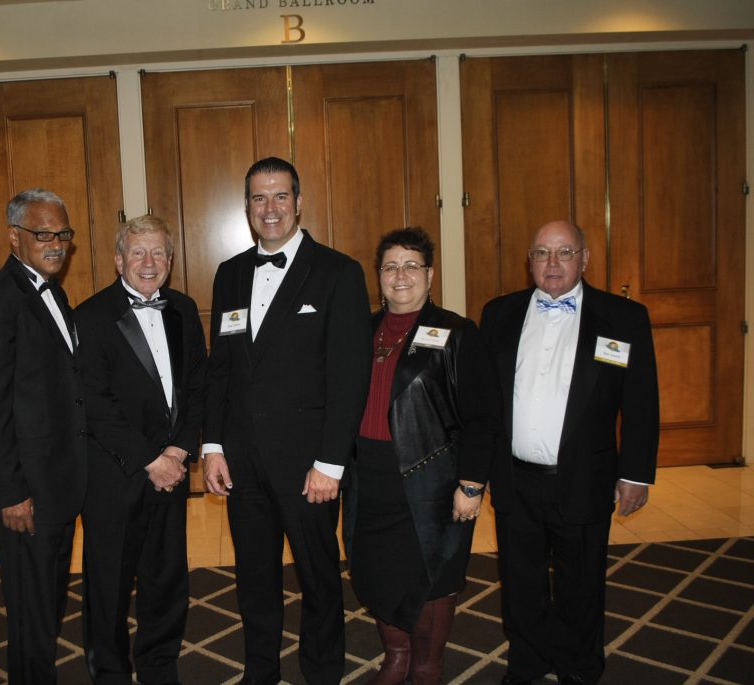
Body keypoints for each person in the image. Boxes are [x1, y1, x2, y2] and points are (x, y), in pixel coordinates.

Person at [203, 156, 372, 685]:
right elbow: (220, 369)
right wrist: (212, 445)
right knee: (254, 580)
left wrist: (330, 464)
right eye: (259, 198)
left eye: (280, 196)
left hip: (309, 468)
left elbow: (350, 377)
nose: (270, 208)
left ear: (299, 203)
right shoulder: (229, 274)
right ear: (247, 208)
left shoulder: (339, 273)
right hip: (243, 464)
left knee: (319, 581)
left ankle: (322, 674)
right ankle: (261, 673)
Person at [479, 220, 659, 685]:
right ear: (529, 261)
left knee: (581, 585)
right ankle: (528, 662)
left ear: (585, 259)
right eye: (542, 253)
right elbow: (486, 404)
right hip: (516, 479)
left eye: (564, 252)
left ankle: (580, 668)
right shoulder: (498, 314)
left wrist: (636, 474)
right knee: (521, 585)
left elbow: (640, 404)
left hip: (584, 476)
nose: (552, 263)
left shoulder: (623, 317)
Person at [344, 228, 500, 685]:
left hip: (431, 486)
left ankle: (426, 666)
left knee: (431, 577)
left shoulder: (457, 332)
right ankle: (396, 654)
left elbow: (483, 417)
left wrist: (471, 484)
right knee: (376, 571)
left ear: (430, 274)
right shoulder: (361, 330)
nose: (401, 275)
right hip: (367, 482)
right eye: (391, 266)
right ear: (379, 276)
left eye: (412, 265)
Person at [0, 188, 86, 684]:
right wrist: (11, 492)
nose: (55, 244)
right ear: (14, 236)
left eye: (63, 234)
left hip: (54, 483)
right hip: (24, 493)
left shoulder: (52, 292)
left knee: (47, 605)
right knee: (31, 616)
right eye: (43, 234)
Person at [76, 214, 207, 685]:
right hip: (117, 476)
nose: (148, 263)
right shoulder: (89, 317)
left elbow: (197, 386)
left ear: (170, 261)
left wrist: (177, 452)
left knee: (167, 580)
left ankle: (158, 665)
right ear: (118, 260)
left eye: (158, 253)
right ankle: (109, 672)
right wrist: (151, 459)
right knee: (108, 584)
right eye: (138, 252)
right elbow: (95, 402)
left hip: (170, 471)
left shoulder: (185, 309)